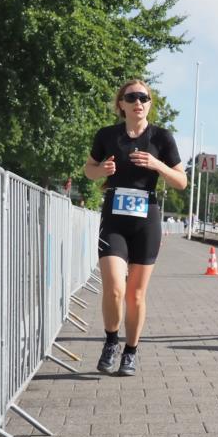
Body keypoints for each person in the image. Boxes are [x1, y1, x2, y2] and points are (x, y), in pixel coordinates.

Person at [84, 80, 187, 375]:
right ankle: (111, 341)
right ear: (122, 104)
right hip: (115, 217)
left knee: (136, 295)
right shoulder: (107, 135)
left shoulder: (162, 138)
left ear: (149, 104)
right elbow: (88, 169)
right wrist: (100, 171)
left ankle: (130, 351)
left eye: (144, 97)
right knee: (115, 288)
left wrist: (158, 165)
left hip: (147, 219)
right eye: (132, 97)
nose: (138, 101)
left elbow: (181, 182)